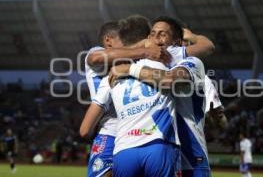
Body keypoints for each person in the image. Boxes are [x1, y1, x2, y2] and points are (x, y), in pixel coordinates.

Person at [109, 15, 226, 177]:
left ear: (177, 43)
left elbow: (221, 122)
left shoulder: (193, 64)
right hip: (161, 151)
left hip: (191, 159)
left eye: (162, 34)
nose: (155, 38)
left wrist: (218, 119)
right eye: (152, 34)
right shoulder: (145, 65)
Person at [80, 20, 168, 177]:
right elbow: (95, 58)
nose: (128, 45)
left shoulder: (132, 63)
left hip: (136, 133)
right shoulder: (97, 53)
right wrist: (143, 50)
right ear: (108, 40)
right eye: (123, 40)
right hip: (110, 131)